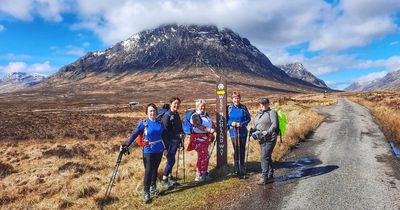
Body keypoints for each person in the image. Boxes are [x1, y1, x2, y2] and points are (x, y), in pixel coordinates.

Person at [121, 103, 165, 204]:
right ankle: (146, 193)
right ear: (147, 112)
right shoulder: (144, 123)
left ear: (156, 112)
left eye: (154, 110)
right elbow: (134, 134)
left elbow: (163, 135)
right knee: (148, 171)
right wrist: (126, 145)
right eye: (150, 111)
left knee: (155, 170)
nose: (152, 112)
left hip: (159, 149)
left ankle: (153, 188)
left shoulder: (159, 122)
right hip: (148, 150)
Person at [251, 97, 278, 184]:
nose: (263, 105)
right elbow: (256, 126)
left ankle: (264, 177)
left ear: (268, 104)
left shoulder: (272, 112)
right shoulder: (258, 114)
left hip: (270, 138)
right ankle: (270, 176)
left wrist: (268, 132)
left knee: (264, 157)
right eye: (261, 103)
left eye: (265, 103)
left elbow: (274, 124)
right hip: (262, 139)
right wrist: (252, 129)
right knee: (267, 157)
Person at [187, 99, 216, 182]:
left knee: (201, 157)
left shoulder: (206, 115)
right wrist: (209, 130)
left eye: (204, 106)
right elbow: (198, 125)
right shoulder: (195, 116)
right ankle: (203, 174)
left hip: (205, 140)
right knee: (205, 156)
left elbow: (212, 124)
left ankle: (199, 174)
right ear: (197, 106)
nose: (203, 107)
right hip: (198, 140)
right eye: (201, 106)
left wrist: (214, 130)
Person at [161, 96, 185, 188]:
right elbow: (166, 132)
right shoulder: (167, 116)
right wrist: (177, 135)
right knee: (171, 160)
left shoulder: (176, 114)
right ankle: (164, 179)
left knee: (171, 159)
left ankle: (170, 177)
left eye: (178, 104)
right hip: (169, 142)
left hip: (175, 141)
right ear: (171, 104)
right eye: (175, 103)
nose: (177, 105)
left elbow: (179, 127)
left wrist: (182, 133)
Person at [227, 91, 251, 178]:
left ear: (240, 99)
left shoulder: (243, 107)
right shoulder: (229, 108)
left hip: (243, 132)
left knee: (242, 149)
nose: (236, 100)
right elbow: (226, 119)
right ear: (232, 99)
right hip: (233, 132)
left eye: (238, 98)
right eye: (234, 98)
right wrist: (231, 123)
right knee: (236, 149)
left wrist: (242, 124)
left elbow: (248, 118)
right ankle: (236, 167)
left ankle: (242, 166)